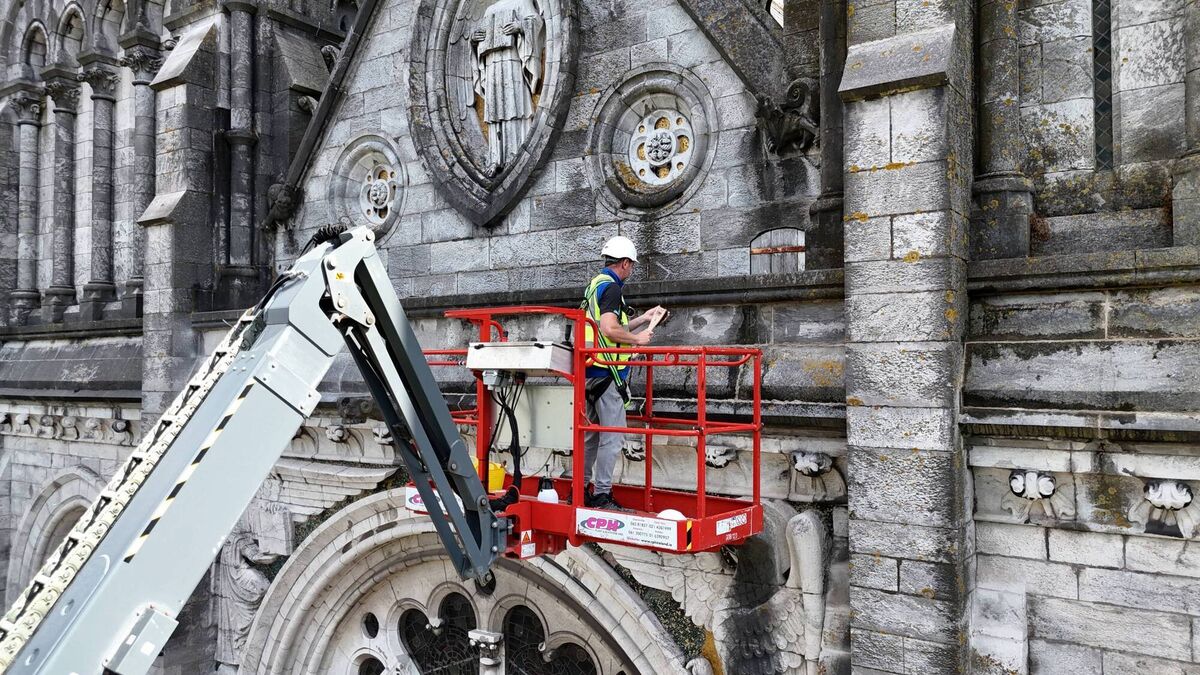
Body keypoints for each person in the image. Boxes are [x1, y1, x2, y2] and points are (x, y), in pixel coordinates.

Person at [580, 236, 666, 510]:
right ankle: (602, 494)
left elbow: (609, 326)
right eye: (632, 265)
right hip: (608, 374)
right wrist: (639, 340)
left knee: (591, 435)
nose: (631, 270)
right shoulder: (613, 289)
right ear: (625, 263)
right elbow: (608, 328)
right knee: (613, 437)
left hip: (590, 370)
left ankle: (580, 490)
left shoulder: (595, 285)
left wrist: (643, 318)